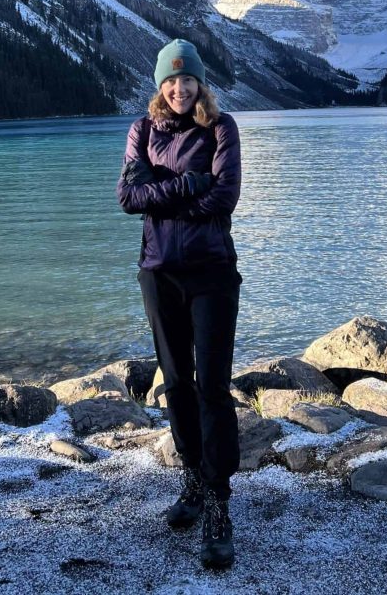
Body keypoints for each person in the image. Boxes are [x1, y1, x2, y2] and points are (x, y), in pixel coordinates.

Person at [116, 37, 242, 569]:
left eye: (187, 79)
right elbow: (128, 197)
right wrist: (189, 186)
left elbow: (225, 195)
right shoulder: (142, 130)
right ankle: (192, 479)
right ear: (160, 85)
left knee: (212, 386)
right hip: (159, 274)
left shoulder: (221, 127)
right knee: (176, 383)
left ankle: (218, 502)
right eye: (170, 80)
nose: (179, 88)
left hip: (212, 273)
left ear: (200, 83)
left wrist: (164, 197)